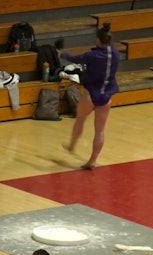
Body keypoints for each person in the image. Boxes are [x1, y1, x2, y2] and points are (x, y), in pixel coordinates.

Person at [61, 23, 120, 170]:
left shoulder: (92, 55)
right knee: (100, 130)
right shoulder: (116, 54)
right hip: (107, 95)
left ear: (98, 40)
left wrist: (62, 54)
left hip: (91, 93)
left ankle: (71, 146)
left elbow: (75, 59)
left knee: (80, 119)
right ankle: (93, 160)